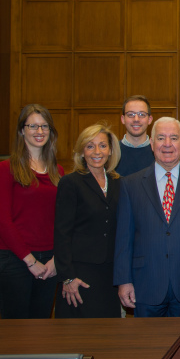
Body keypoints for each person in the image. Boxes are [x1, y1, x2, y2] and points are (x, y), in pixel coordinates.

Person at [113, 117, 180, 317]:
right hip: (145, 284)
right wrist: (123, 280)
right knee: (148, 347)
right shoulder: (130, 185)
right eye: (161, 138)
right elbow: (123, 238)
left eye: (173, 138)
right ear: (152, 144)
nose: (167, 144)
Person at [0, 104, 64, 319]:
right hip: (15, 261)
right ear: (22, 130)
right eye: (33, 126)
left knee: (41, 332)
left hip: (49, 263)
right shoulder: (6, 169)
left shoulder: (57, 172)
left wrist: (55, 259)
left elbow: (61, 220)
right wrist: (30, 261)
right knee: (15, 336)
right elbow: (3, 221)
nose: (39, 132)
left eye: (44, 126)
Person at [54, 123, 122, 318]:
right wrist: (67, 277)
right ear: (82, 152)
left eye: (102, 145)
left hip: (110, 274)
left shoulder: (119, 183)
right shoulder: (70, 183)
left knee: (107, 337)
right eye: (90, 146)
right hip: (80, 275)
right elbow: (61, 233)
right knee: (79, 337)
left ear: (110, 151)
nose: (97, 152)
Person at [115, 95, 154, 177]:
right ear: (123, 119)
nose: (136, 119)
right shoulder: (112, 151)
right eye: (131, 114)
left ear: (149, 120)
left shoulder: (158, 152)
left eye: (141, 114)